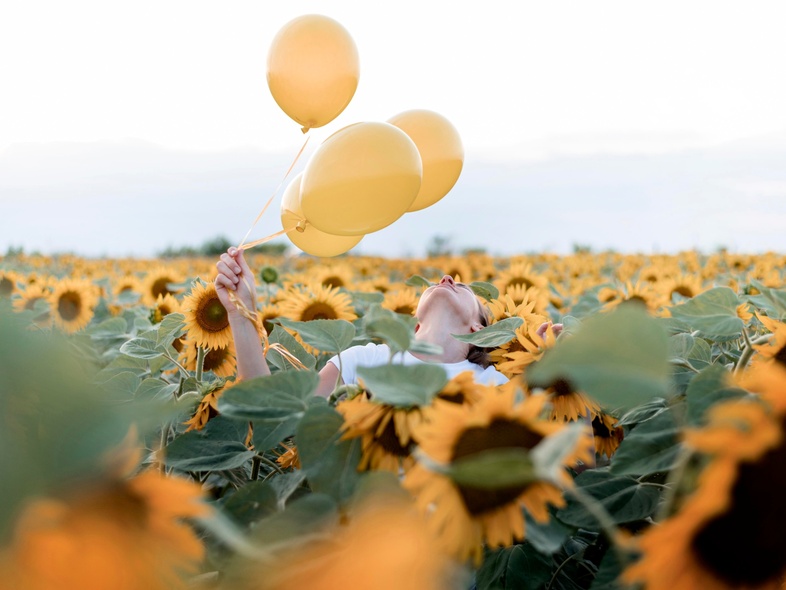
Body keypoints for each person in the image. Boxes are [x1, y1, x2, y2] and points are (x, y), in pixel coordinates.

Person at [214, 247, 509, 398]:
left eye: (462, 287)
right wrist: (240, 315)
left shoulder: (492, 384)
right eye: (435, 283)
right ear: (415, 324)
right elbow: (272, 406)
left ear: (479, 329)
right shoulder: (365, 359)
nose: (446, 278)